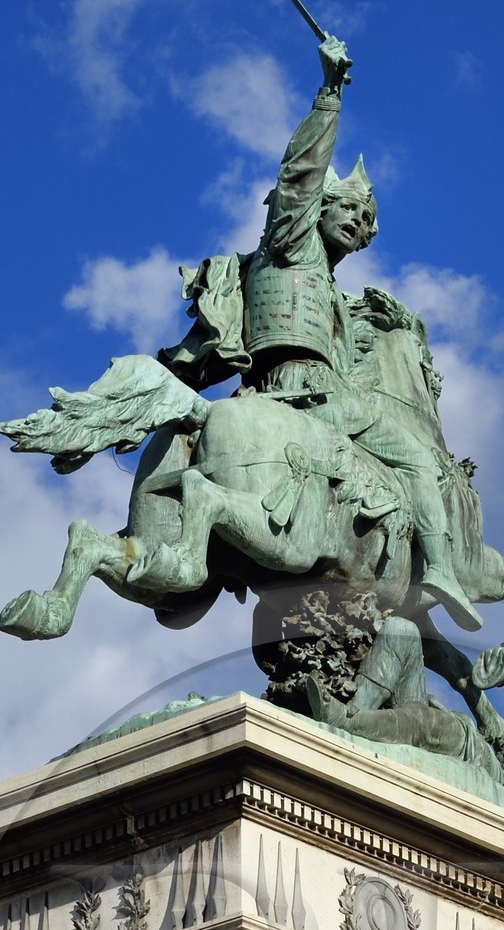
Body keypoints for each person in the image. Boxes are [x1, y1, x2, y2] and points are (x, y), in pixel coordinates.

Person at [165, 31, 481, 631]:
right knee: (417, 459)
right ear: (320, 208)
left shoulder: (330, 287)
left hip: (302, 394)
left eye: (367, 220)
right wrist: (329, 95)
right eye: (350, 210)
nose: (359, 224)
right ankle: (440, 568)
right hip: (310, 395)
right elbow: (299, 177)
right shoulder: (291, 245)